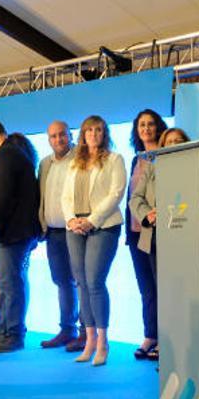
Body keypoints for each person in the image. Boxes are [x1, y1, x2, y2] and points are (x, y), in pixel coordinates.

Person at [61, 115, 127, 367]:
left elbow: (116, 193)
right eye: (89, 130)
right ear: (83, 134)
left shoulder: (114, 159)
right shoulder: (74, 163)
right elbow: (65, 196)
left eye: (98, 130)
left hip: (104, 226)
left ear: (105, 133)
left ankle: (103, 342)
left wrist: (92, 219)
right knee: (81, 283)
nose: (93, 134)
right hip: (75, 227)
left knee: (94, 282)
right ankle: (88, 340)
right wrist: (70, 219)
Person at [0, 121, 41, 353]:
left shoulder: (7, 156)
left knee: (11, 283)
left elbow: (3, 196)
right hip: (11, 231)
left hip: (14, 232)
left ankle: (14, 333)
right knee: (4, 282)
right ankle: (3, 329)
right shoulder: (10, 153)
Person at [128, 127, 190, 356]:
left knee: (177, 291)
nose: (173, 144)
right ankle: (156, 337)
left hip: (183, 235)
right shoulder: (152, 167)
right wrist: (147, 214)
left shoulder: (194, 167)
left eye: (178, 141)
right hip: (154, 235)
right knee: (155, 290)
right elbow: (136, 197)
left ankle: (174, 340)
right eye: (169, 141)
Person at [126, 110, 167, 360]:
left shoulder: (165, 156)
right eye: (141, 124)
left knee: (162, 287)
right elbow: (132, 197)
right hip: (135, 232)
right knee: (146, 288)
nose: (146, 128)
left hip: (159, 232)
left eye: (151, 124)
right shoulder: (135, 159)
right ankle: (150, 335)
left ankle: (166, 338)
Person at [38, 120, 83, 349]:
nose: (58, 140)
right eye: (53, 136)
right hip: (53, 232)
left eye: (62, 135)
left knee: (82, 281)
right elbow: (41, 196)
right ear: (48, 140)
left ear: (70, 135)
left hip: (76, 230)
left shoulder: (80, 158)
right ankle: (67, 330)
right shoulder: (45, 163)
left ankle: (86, 332)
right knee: (62, 281)